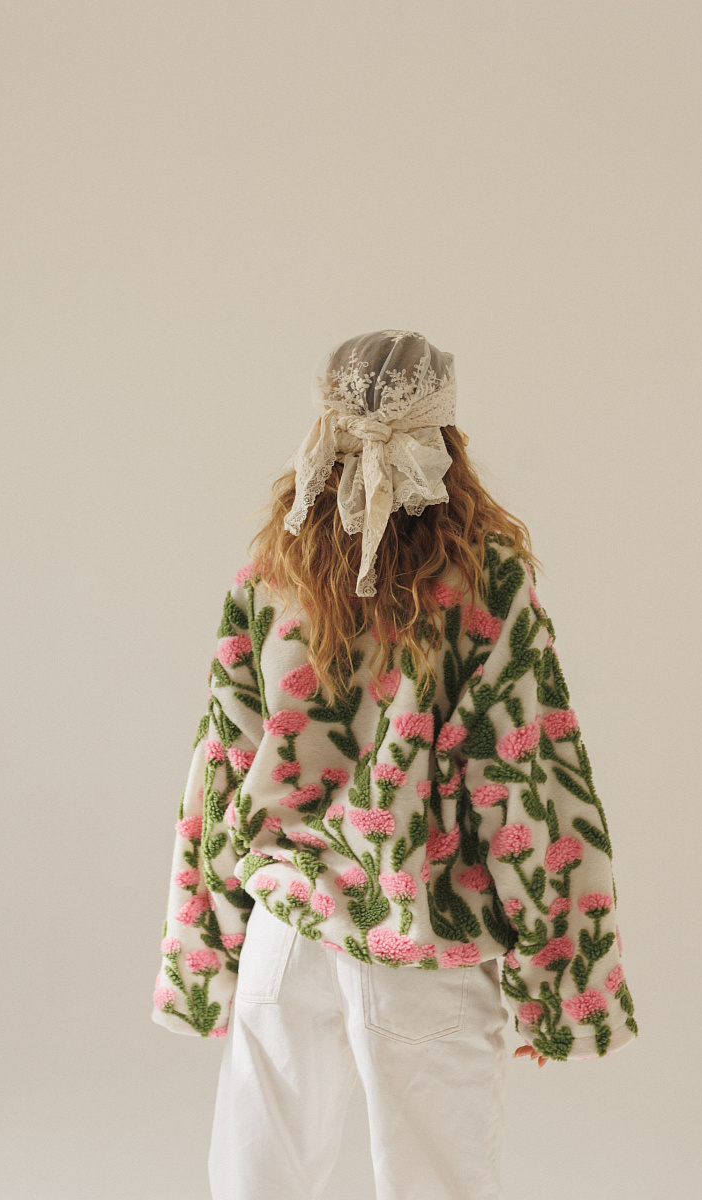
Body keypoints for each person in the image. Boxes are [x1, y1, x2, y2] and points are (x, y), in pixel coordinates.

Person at [150, 329, 638, 1200]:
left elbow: (221, 767)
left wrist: (203, 959)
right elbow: (526, 779)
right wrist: (557, 981)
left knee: (257, 1184)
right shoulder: (483, 574)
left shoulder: (274, 568)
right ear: (445, 430)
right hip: (424, 940)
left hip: (286, 934)